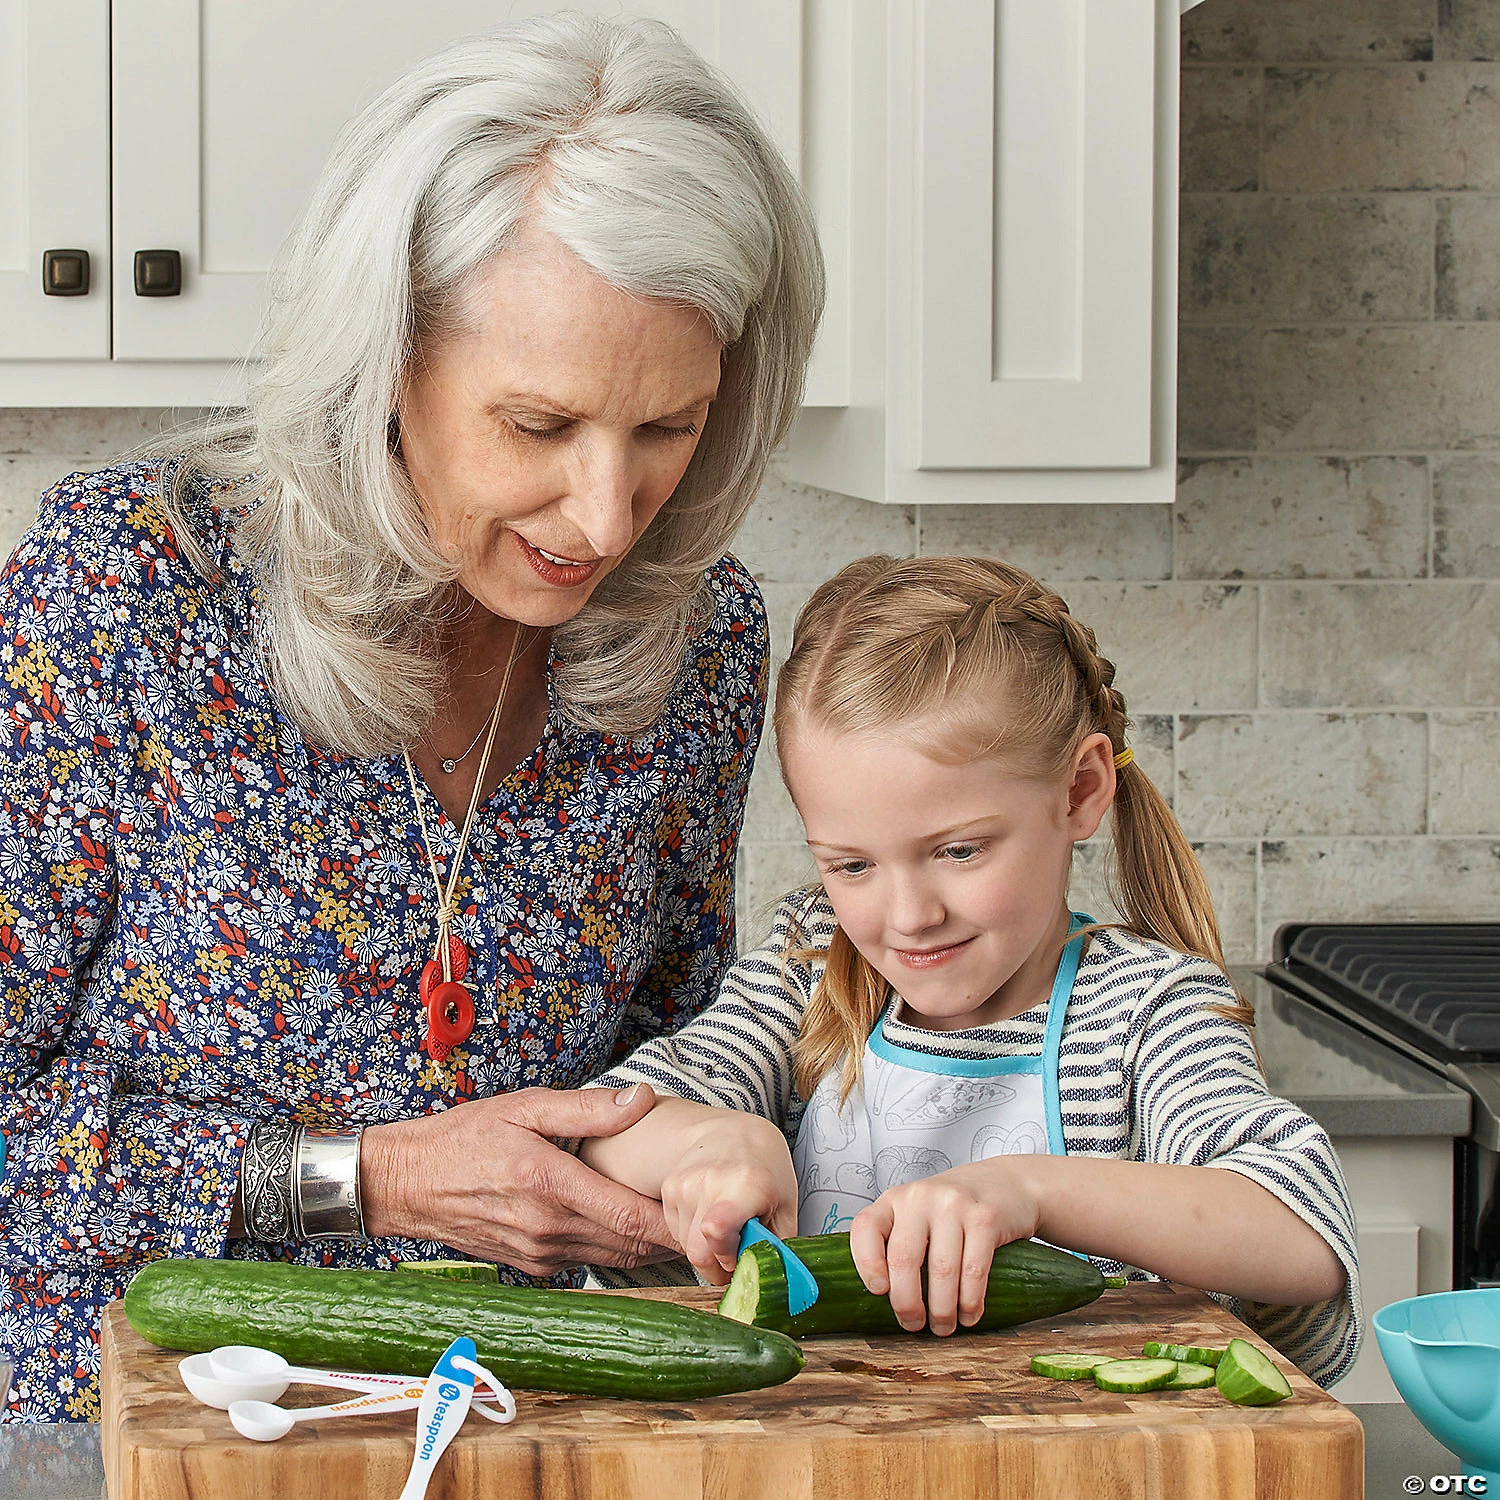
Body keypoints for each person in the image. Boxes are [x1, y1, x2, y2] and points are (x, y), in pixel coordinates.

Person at [0, 13, 823, 1421]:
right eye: (538, 425)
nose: (607, 515)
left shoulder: (701, 644)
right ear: (385, 359)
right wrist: (368, 1178)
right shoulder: (125, 600)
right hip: (133, 1443)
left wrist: (716, 1144)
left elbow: (676, 1049)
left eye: (668, 428)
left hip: (530, 1437)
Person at [581, 555, 1361, 1389]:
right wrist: (715, 1142)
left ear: (1080, 791)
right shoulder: (810, 974)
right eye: (851, 866)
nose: (909, 914)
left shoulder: (1145, 1013)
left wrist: (1029, 1191)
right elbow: (605, 1122)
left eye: (958, 851)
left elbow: (1301, 1228)